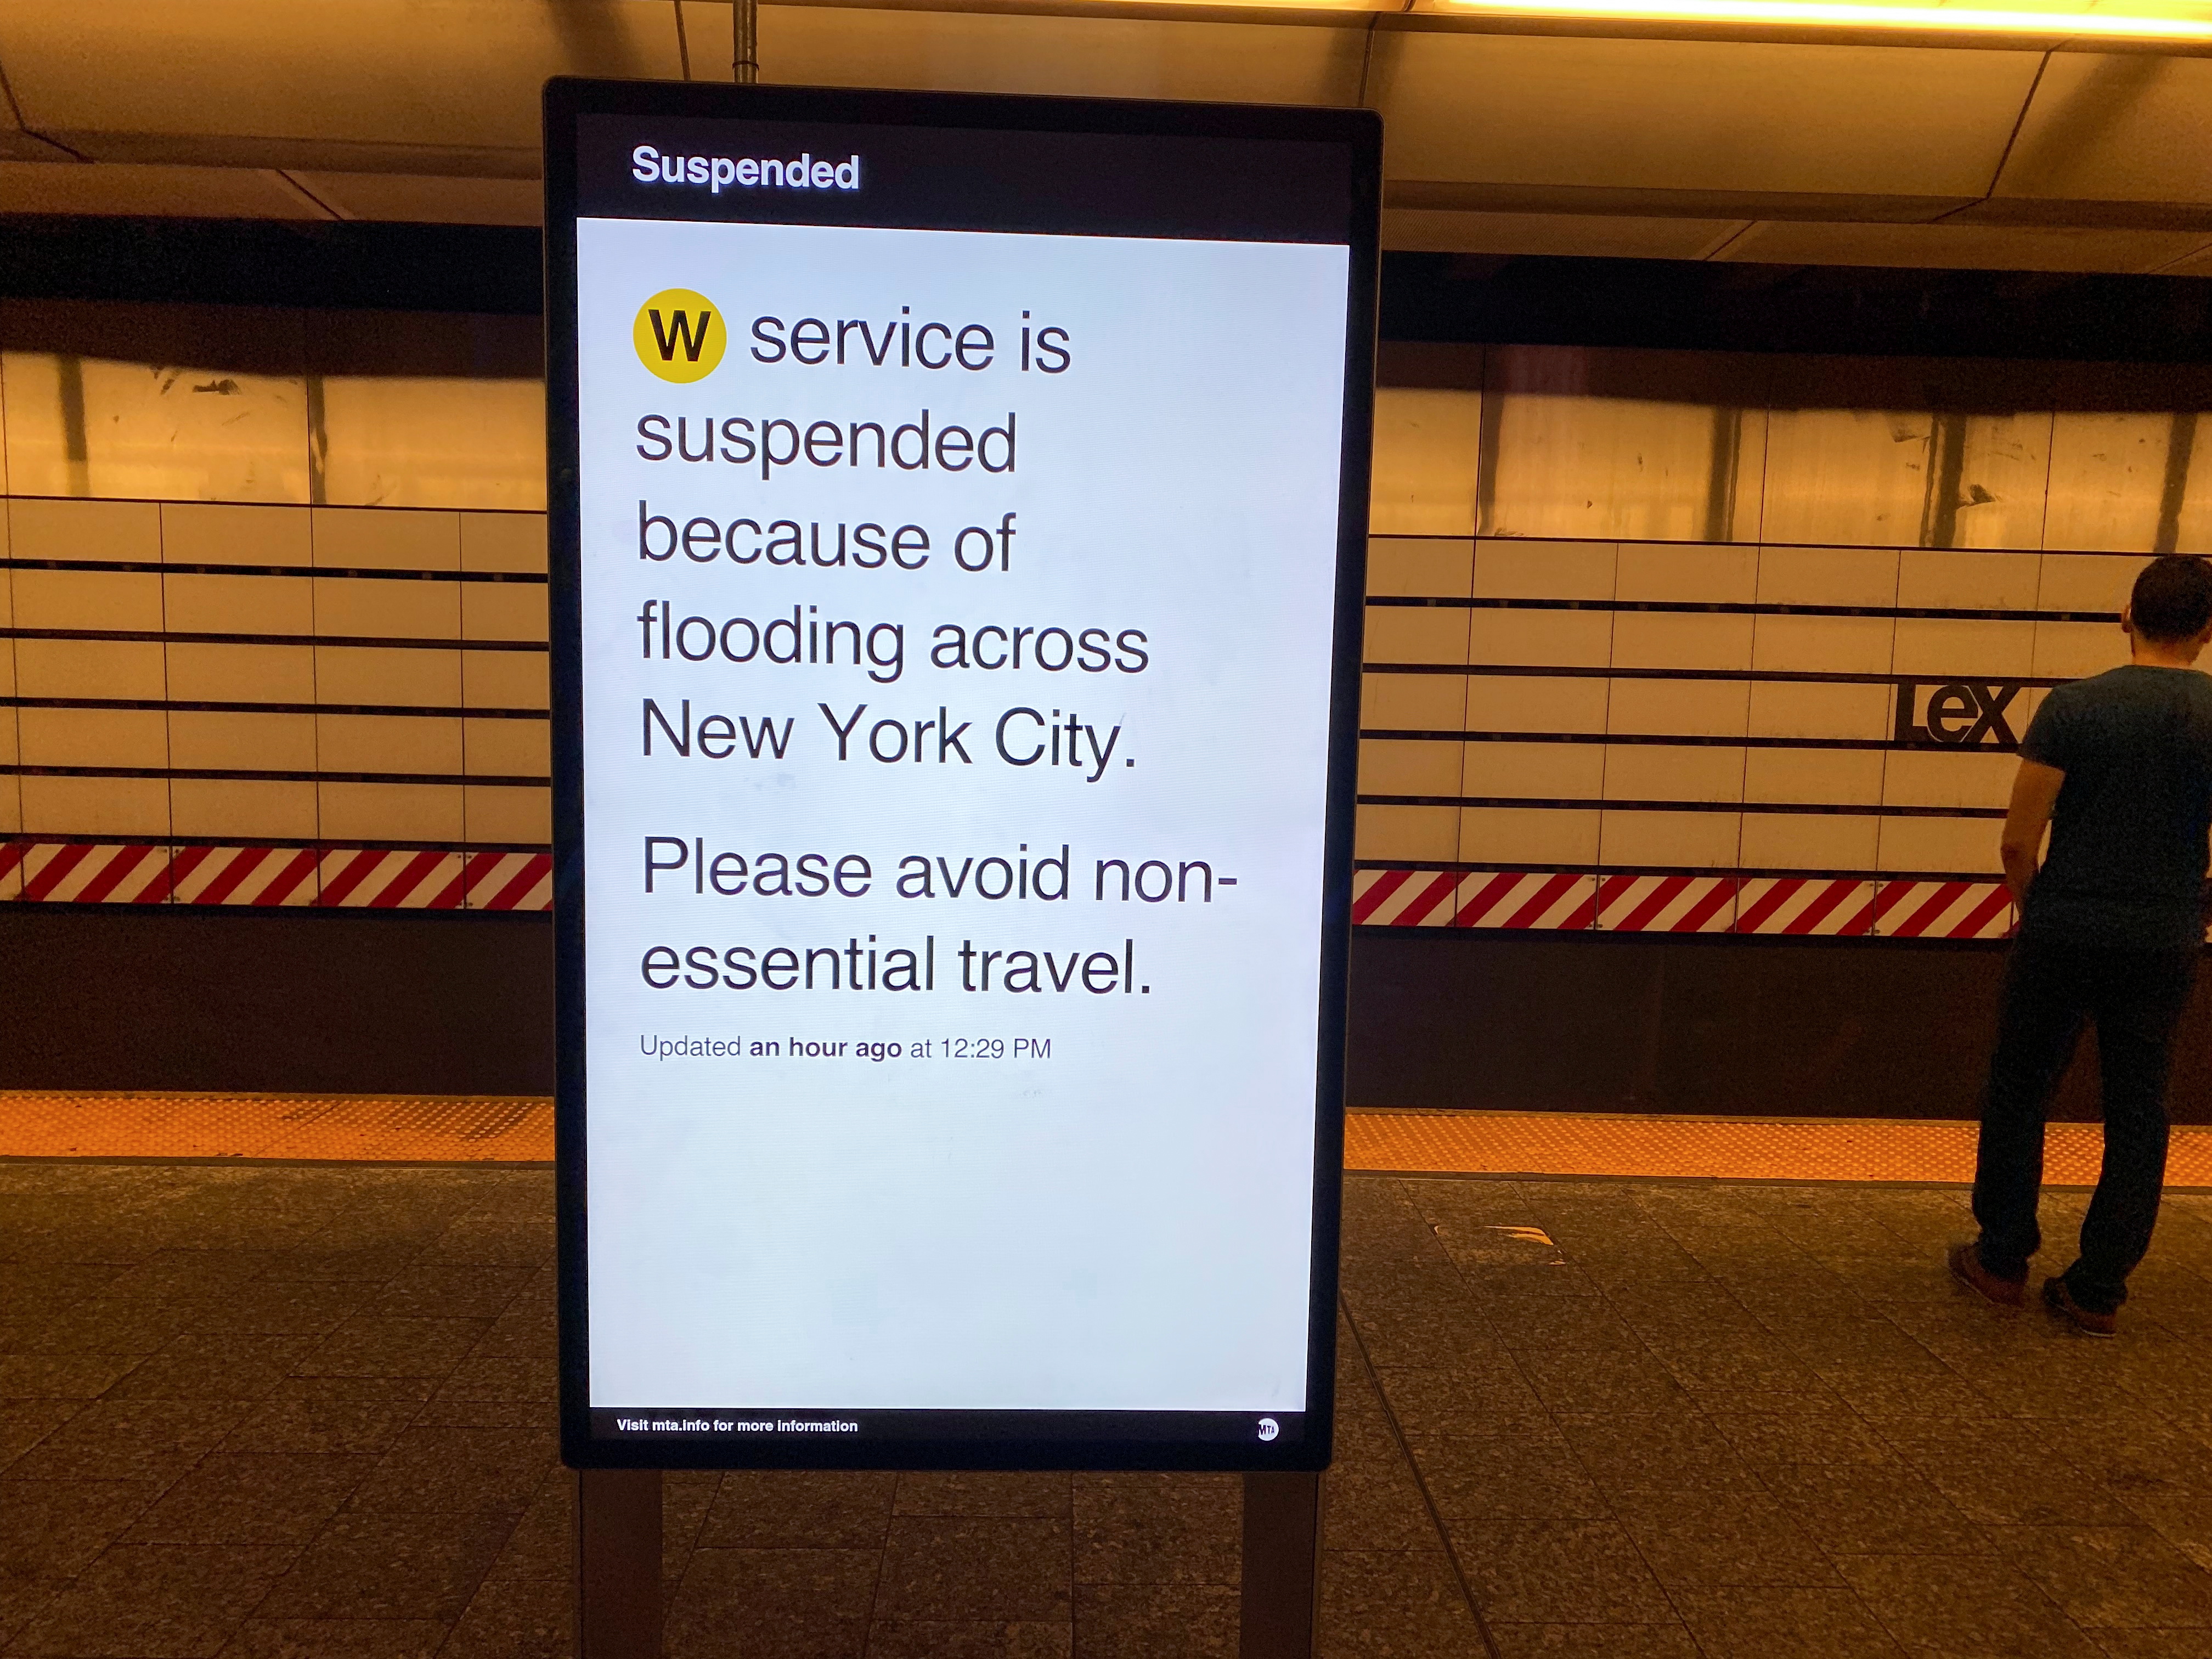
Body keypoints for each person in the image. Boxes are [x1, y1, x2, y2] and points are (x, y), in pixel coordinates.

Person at [1951, 553, 2212, 1336]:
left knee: (2021, 1087)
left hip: (2065, 927)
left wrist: (2041, 907)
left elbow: (2016, 842)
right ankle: (2097, 1287)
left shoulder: (2072, 708)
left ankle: (2001, 1258)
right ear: (2205, 631)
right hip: (2163, 936)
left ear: (2127, 616)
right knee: (2139, 1104)